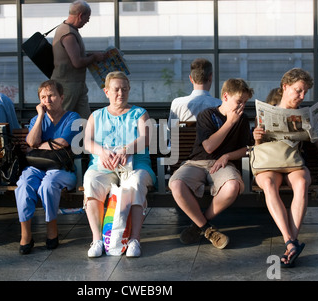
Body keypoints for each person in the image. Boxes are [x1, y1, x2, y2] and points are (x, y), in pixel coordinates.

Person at [253, 68, 318, 267]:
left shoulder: (306, 117)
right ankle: (291, 242)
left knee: (302, 183)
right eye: (298, 90)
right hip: (269, 163)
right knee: (268, 184)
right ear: (285, 87)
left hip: (293, 163)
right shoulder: (267, 110)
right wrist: (257, 138)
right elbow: (257, 149)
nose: (302, 96)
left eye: (305, 92)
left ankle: (290, 244)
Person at [169, 78, 254, 249]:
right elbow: (208, 147)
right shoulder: (207, 115)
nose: (241, 106)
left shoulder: (243, 120)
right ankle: (208, 230)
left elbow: (247, 148)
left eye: (245, 102)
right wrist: (230, 122)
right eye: (239, 101)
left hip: (223, 165)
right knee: (177, 185)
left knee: (232, 187)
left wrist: (228, 156)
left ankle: (200, 225)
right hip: (197, 162)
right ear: (225, 96)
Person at [83, 71, 156, 258]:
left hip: (135, 164)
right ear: (106, 92)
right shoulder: (96, 116)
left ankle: (134, 240)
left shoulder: (139, 113)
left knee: (136, 183)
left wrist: (127, 149)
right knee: (91, 180)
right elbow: (88, 142)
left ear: (129, 90)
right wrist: (102, 152)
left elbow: (146, 137)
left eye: (124, 89)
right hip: (103, 166)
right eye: (116, 90)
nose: (120, 93)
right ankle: (97, 239)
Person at [14, 80, 80, 255]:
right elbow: (30, 141)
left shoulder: (72, 117)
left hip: (62, 169)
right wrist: (41, 117)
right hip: (37, 166)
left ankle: (52, 227)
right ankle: (26, 233)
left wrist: (38, 145)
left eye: (51, 95)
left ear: (61, 97)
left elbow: (63, 142)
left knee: (48, 183)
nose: (47, 100)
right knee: (24, 183)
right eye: (43, 97)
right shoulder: (37, 119)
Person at [51, 0, 107, 119]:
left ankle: (86, 138)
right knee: (61, 119)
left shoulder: (67, 30)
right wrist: (94, 57)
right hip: (67, 86)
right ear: (81, 15)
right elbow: (77, 62)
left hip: (76, 85)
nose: (88, 21)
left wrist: (89, 56)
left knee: (85, 121)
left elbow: (73, 57)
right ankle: (57, 138)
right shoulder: (68, 34)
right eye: (88, 17)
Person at [168, 58, 222, 125]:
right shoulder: (219, 105)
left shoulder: (177, 103)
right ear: (210, 77)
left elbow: (171, 133)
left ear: (191, 78)